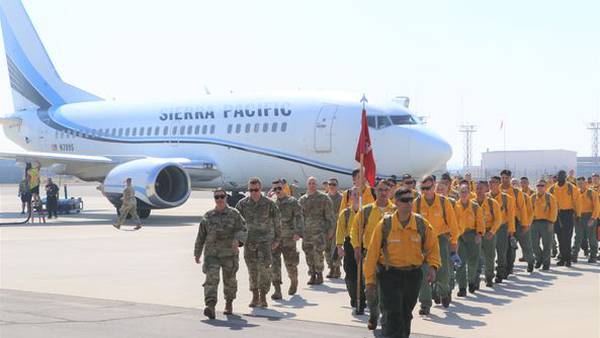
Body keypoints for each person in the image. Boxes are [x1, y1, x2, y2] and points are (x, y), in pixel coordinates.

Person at [364, 188, 440, 338]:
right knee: (393, 313)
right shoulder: (385, 225)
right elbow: (372, 255)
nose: (409, 203)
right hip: (389, 275)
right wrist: (370, 281)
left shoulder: (421, 224)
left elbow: (432, 247)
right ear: (397, 202)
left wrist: (433, 267)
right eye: (405, 200)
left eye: (411, 199)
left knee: (406, 313)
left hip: (413, 275)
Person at [194, 188, 248, 319]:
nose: (219, 200)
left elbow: (244, 229)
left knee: (229, 281)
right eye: (216, 197)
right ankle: (210, 306)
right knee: (211, 281)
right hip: (211, 255)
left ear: (226, 198)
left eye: (222, 197)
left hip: (229, 255)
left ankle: (229, 303)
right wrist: (197, 252)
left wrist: (238, 240)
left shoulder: (234, 214)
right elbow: (201, 235)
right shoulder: (208, 215)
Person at [350, 180, 395, 329]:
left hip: (390, 258)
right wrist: (356, 247)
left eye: (386, 190)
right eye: (380, 190)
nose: (383, 193)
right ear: (375, 191)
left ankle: (385, 317)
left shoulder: (395, 211)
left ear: (389, 192)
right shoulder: (367, 211)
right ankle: (373, 314)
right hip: (370, 255)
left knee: (387, 289)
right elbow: (355, 229)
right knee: (370, 288)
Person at [414, 176, 460, 314]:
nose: (426, 191)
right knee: (423, 272)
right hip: (423, 241)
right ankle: (425, 303)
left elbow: (453, 225)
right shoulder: (416, 203)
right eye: (423, 189)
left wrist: (453, 245)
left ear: (434, 186)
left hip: (441, 239)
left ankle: (445, 292)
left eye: (428, 188)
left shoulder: (443, 202)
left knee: (443, 273)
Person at [235, 177, 281, 308]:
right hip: (249, 243)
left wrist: (277, 239)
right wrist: (237, 240)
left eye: (256, 189)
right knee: (252, 271)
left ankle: (263, 296)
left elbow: (277, 223)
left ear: (260, 189)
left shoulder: (269, 204)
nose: (254, 192)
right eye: (251, 190)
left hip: (265, 243)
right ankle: (254, 296)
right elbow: (236, 223)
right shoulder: (242, 204)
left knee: (265, 270)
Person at [270, 179, 304, 299]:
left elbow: (299, 218)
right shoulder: (271, 202)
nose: (277, 191)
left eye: (279, 188)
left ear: (284, 188)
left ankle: (294, 280)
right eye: (275, 189)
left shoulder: (292, 201)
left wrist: (298, 233)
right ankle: (277, 289)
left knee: (290, 264)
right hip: (274, 239)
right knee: (274, 264)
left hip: (289, 238)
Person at [299, 177, 335, 285]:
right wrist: (299, 231)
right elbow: (299, 216)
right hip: (306, 233)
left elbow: (330, 216)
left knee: (318, 253)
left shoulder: (323, 198)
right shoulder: (302, 200)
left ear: (317, 185)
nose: (312, 185)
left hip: (320, 232)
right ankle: (312, 274)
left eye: (314, 183)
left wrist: (331, 230)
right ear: (307, 185)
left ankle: (319, 274)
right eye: (310, 183)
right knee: (308, 254)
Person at [335, 187, 365, 314]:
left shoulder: (366, 212)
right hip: (349, 244)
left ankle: (362, 301)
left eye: (359, 194)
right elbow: (340, 230)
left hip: (364, 244)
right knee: (351, 275)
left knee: (364, 275)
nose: (357, 196)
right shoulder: (345, 213)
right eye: (354, 194)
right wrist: (339, 246)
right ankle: (354, 297)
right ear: (350, 197)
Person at [500, 170, 533, 273]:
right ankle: (509, 267)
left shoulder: (516, 192)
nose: (504, 180)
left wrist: (525, 224)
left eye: (506, 178)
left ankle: (531, 262)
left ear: (510, 178)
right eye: (503, 178)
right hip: (504, 222)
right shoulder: (498, 190)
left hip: (517, 221)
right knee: (508, 246)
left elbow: (523, 209)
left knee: (525, 244)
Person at [455, 183, 484, 296]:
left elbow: (480, 222)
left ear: (469, 193)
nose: (463, 194)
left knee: (473, 261)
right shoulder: (454, 206)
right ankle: (462, 287)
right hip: (459, 236)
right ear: (458, 193)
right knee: (460, 263)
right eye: (461, 192)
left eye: (465, 192)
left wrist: (479, 234)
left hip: (473, 235)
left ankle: (472, 281)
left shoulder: (475, 207)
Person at [549, 170, 581, 266]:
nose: (561, 177)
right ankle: (562, 258)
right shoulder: (552, 188)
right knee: (559, 237)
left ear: (566, 177)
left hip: (568, 214)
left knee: (567, 237)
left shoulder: (572, 188)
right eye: (560, 176)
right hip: (557, 215)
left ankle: (568, 259)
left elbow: (577, 202)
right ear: (557, 177)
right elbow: (548, 201)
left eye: (563, 176)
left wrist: (578, 215)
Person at [474, 181, 502, 287]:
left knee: (489, 257)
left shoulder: (492, 203)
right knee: (475, 257)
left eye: (481, 188)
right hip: (476, 233)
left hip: (489, 233)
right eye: (477, 188)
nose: (479, 191)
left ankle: (489, 277)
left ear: (486, 189)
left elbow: (498, 219)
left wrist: (492, 232)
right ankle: (475, 279)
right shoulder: (472, 203)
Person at [488, 176, 516, 282]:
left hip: (502, 228)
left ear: (499, 183)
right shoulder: (486, 197)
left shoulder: (506, 198)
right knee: (489, 253)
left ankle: (500, 273)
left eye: (494, 182)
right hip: (489, 228)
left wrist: (511, 230)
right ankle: (489, 274)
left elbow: (511, 215)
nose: (491, 184)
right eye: (490, 182)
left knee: (502, 252)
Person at [530, 179, 558, 270]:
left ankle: (546, 263)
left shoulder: (550, 197)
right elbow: (529, 211)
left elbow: (554, 211)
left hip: (546, 223)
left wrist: (551, 222)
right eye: (538, 185)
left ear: (545, 187)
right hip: (534, 223)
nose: (540, 187)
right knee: (534, 244)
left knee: (547, 245)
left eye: (542, 185)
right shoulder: (533, 197)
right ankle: (539, 259)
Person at [572, 177, 599, 263]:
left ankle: (593, 256)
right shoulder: (576, 193)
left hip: (589, 216)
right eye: (578, 183)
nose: (580, 184)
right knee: (578, 237)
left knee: (591, 238)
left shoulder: (592, 193)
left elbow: (597, 207)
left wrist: (593, 218)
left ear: (585, 183)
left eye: (582, 183)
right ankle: (574, 255)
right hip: (579, 217)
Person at [326, 178, 343, 278]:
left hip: (337, 226)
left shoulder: (341, 198)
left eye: (334, 184)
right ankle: (331, 268)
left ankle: (337, 269)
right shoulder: (324, 198)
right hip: (327, 227)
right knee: (327, 249)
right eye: (330, 184)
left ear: (337, 186)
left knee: (335, 248)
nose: (332, 186)